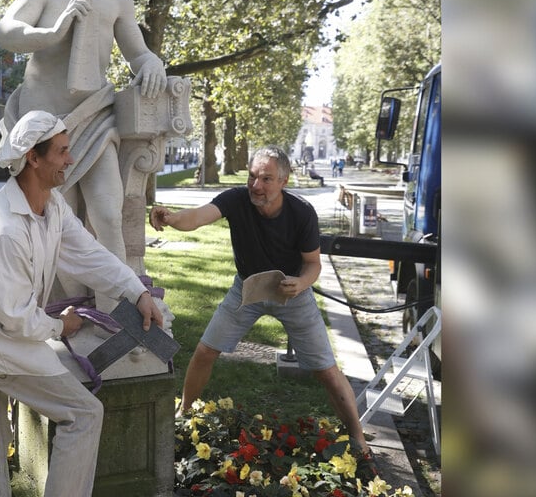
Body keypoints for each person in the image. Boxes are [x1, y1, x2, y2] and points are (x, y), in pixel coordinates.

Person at [0, 110, 166, 497]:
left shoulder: (53, 205)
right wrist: (60, 327)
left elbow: (89, 255)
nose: (70, 159)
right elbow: (16, 318)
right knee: (80, 416)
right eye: (62, 151)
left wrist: (136, 292)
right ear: (33, 157)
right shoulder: (2, 230)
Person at [149, 145, 378, 477]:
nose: (257, 185)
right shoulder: (236, 199)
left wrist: (301, 284)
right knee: (204, 351)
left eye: (267, 179)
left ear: (283, 180)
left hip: (293, 293)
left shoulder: (302, 212)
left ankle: (358, 439)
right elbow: (197, 217)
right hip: (248, 289)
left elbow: (313, 265)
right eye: (253, 176)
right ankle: (185, 417)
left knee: (326, 370)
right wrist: (170, 218)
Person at [0, 0, 166, 262]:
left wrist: (152, 63)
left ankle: (119, 304)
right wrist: (52, 32)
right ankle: (62, 308)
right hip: (44, 122)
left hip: (93, 119)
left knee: (108, 211)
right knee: (59, 217)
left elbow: (137, 53)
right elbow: (6, 31)